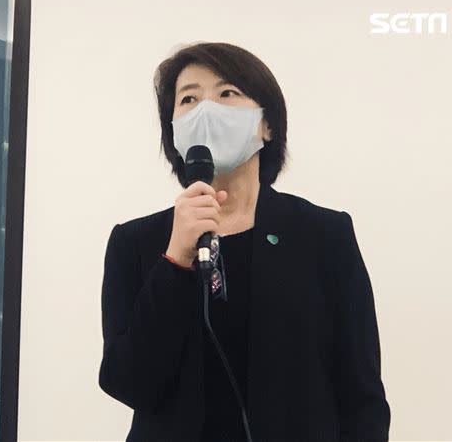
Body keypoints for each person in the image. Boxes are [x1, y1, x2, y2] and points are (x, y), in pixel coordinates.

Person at [98, 41, 390, 442]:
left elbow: (362, 396)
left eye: (227, 93)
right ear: (173, 131)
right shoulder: (135, 242)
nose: (206, 110)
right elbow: (127, 383)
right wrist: (175, 259)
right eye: (188, 99)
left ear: (267, 125)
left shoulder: (324, 234)